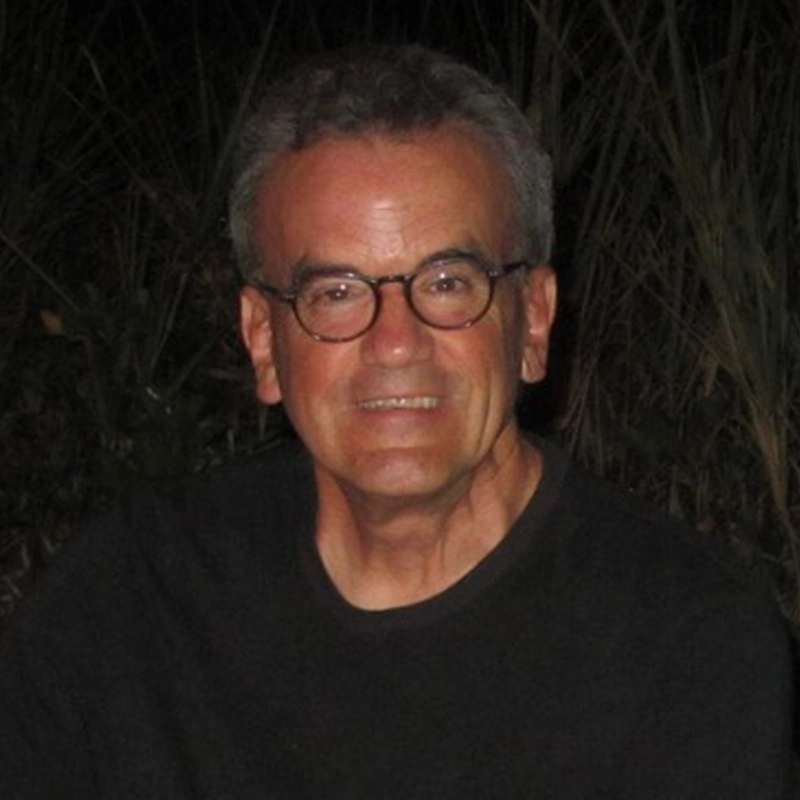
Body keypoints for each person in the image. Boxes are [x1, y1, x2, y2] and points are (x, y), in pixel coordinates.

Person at [0, 45, 796, 798]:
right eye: (337, 292)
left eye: (448, 282)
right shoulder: (126, 609)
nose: (395, 342)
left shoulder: (689, 651)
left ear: (535, 323)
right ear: (262, 341)